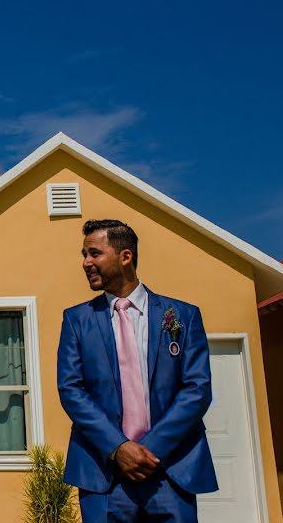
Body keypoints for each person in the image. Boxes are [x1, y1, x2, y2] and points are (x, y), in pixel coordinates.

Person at [57, 219, 218, 522]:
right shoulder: (76, 320)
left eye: (94, 253)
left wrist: (148, 451)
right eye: (83, 255)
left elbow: (197, 389)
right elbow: (71, 389)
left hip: (171, 470)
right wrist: (119, 448)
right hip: (104, 475)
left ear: (125, 256)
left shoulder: (182, 316)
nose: (85, 263)